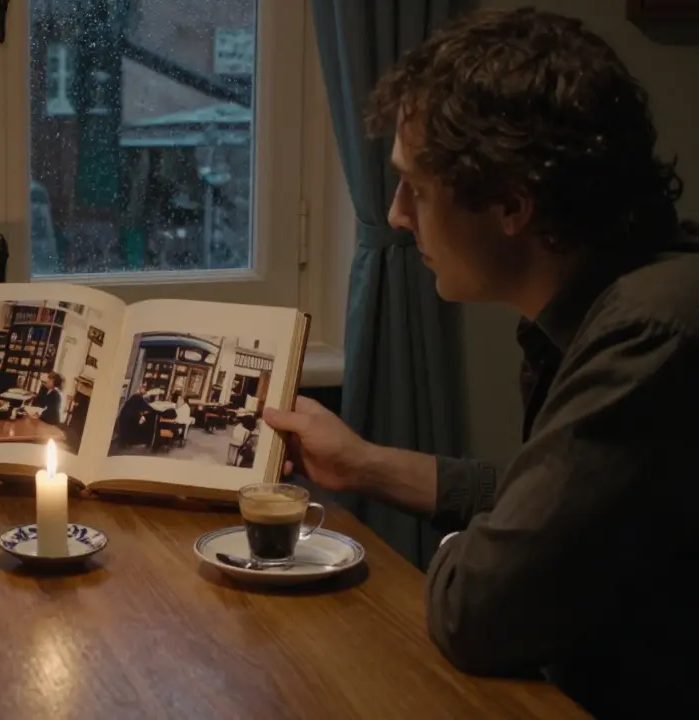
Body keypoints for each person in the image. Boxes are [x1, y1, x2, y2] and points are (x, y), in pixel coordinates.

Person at [263, 9, 697, 717]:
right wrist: (365, 465)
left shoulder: (652, 335)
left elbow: (480, 608)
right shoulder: (613, 304)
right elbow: (547, 500)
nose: (399, 215)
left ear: (510, 205)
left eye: (418, 190)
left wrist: (485, 551)